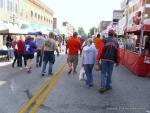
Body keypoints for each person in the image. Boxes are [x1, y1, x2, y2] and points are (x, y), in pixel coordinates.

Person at [96, 28, 120, 94]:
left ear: (108, 34)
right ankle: (108, 85)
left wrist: (97, 60)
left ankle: (102, 87)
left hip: (104, 59)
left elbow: (100, 50)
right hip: (112, 60)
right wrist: (118, 61)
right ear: (113, 35)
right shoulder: (116, 43)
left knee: (103, 73)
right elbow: (118, 53)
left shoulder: (104, 40)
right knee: (110, 73)